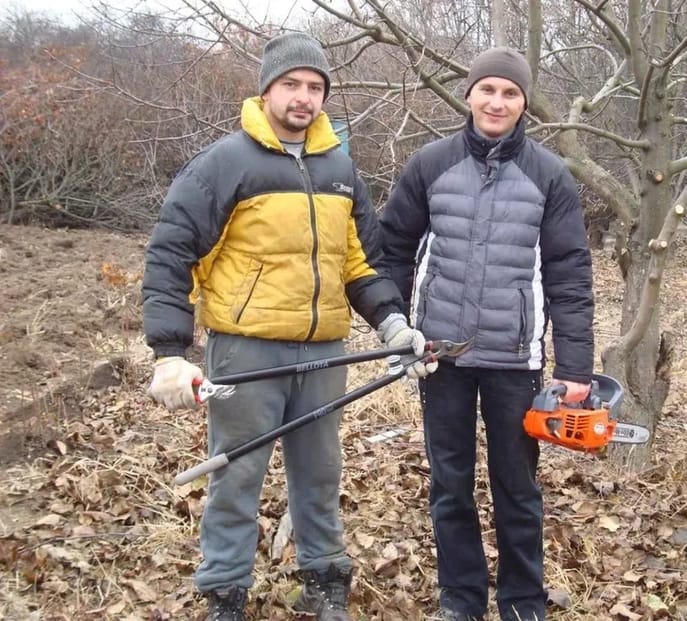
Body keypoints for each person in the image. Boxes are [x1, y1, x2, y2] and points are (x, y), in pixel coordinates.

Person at [142, 32, 434, 621]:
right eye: (292, 85)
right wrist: (170, 350)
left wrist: (393, 324)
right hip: (247, 352)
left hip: (324, 351)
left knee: (320, 474)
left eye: (315, 87)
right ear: (268, 89)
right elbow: (172, 253)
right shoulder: (227, 163)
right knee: (236, 472)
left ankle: (324, 582)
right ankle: (224, 593)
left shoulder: (341, 169)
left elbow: (360, 262)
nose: (304, 97)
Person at [379, 47, 595, 621]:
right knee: (449, 486)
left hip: (514, 362)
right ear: (469, 95)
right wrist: (397, 327)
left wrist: (573, 369)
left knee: (517, 490)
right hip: (438, 357)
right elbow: (392, 250)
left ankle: (523, 601)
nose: (497, 102)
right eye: (488, 90)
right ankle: (462, 598)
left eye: (511, 93)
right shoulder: (430, 163)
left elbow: (569, 275)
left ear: (524, 103)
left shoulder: (549, 174)